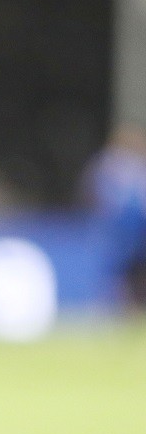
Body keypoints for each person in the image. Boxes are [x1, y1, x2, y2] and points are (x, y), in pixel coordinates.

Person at [81, 122, 146, 310]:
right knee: (116, 274)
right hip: (119, 232)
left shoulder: (137, 168)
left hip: (136, 232)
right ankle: (113, 307)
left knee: (130, 273)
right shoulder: (109, 167)